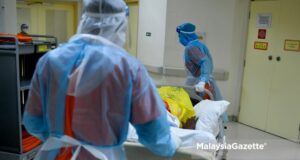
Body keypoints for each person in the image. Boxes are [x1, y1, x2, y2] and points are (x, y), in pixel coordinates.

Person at [23, 0, 177, 159]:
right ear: (119, 24)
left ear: (84, 19)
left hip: (54, 155)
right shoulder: (127, 68)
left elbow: (33, 121)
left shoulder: (49, 61)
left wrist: (61, 140)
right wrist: (171, 145)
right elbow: (154, 132)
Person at [176, 22, 228, 123]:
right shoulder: (199, 44)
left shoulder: (191, 48)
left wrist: (202, 81)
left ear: (185, 35)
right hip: (201, 82)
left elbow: (205, 62)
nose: (179, 38)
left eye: (179, 35)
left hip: (199, 85)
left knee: (196, 114)